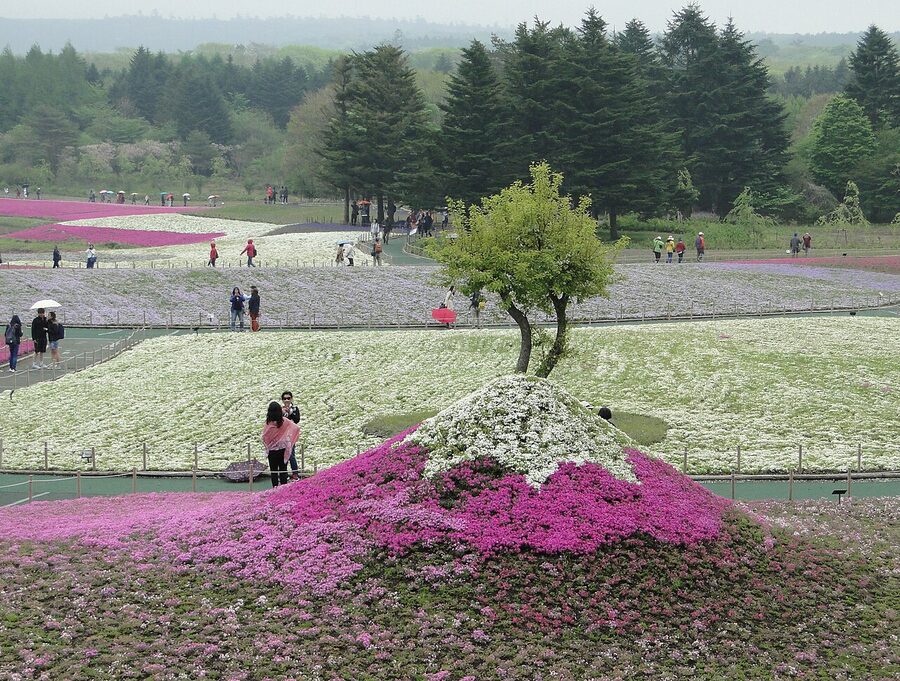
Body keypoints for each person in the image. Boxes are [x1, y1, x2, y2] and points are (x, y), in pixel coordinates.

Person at [261, 401, 300, 488]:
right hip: (283, 450)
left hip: (272, 452)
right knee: (283, 470)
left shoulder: (268, 423)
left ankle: (274, 489)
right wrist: (288, 438)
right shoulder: (285, 421)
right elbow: (296, 428)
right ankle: (283, 490)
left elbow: (264, 437)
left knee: (274, 472)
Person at [281, 391, 301, 481]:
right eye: (285, 398)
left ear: (291, 399)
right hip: (282, 436)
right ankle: (283, 475)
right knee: (283, 455)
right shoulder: (280, 409)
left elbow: (297, 420)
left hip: (292, 435)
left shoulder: (295, 409)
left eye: (288, 398)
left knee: (291, 454)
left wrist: (291, 413)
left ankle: (295, 474)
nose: (286, 400)